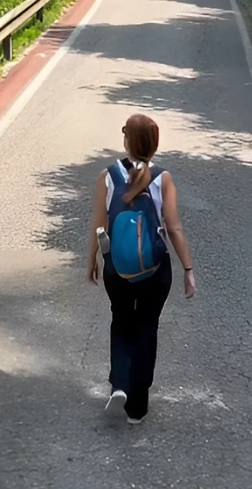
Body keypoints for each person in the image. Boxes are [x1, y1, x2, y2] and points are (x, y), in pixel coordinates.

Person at [87, 114, 196, 424]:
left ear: (126, 142)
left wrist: (93, 260)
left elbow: (98, 223)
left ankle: (119, 382)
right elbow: (173, 229)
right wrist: (188, 269)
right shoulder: (163, 178)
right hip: (154, 269)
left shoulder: (107, 176)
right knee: (147, 327)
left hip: (116, 268)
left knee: (121, 321)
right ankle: (138, 407)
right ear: (155, 145)